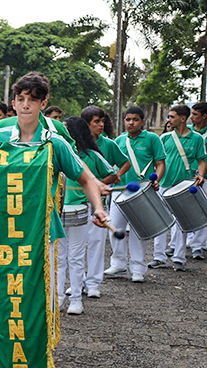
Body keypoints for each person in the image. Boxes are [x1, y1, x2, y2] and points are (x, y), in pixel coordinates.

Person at [0, 72, 108, 368]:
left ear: (43, 103)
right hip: (3, 238)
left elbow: (86, 179)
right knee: (1, 301)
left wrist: (98, 208)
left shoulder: (55, 142)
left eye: (33, 100)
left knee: (39, 305)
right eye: (21, 99)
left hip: (41, 239)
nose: (26, 105)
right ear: (14, 102)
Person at [57, 117, 114, 315]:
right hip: (56, 211)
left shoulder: (88, 156)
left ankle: (76, 299)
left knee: (75, 257)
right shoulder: (55, 153)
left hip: (80, 210)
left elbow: (105, 175)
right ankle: (57, 299)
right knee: (58, 258)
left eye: (66, 130)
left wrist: (98, 186)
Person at [105, 106, 166, 283]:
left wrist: (157, 179)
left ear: (142, 121)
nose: (131, 123)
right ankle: (118, 264)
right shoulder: (119, 140)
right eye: (128, 119)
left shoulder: (152, 138)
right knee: (115, 227)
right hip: (119, 191)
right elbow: (112, 164)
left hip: (142, 192)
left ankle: (138, 268)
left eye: (135, 119)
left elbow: (160, 163)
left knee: (139, 231)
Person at [80, 106, 130, 298]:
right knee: (76, 247)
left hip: (99, 203)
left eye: (102, 121)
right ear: (86, 124)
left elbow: (125, 163)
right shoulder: (76, 145)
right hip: (77, 202)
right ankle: (78, 282)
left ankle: (93, 283)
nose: (101, 125)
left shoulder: (108, 144)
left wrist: (113, 178)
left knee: (96, 242)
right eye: (96, 122)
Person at [151, 104, 205, 271]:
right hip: (164, 184)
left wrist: (201, 174)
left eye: (172, 117)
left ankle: (179, 258)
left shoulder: (197, 139)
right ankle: (158, 257)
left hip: (184, 185)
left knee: (183, 222)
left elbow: (202, 160)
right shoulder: (164, 138)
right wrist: (156, 179)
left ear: (182, 119)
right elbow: (157, 161)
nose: (169, 120)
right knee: (160, 221)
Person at [189, 102, 207, 259]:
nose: (191, 117)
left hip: (205, 178)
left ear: (205, 116)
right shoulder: (188, 132)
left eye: (195, 114)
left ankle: (197, 245)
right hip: (188, 176)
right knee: (186, 210)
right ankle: (182, 242)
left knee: (204, 211)